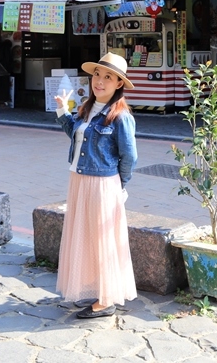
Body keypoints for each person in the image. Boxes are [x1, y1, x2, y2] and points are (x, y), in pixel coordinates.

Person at [54, 52, 138, 319]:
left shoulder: (121, 116)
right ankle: (97, 289)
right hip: (79, 180)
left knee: (103, 240)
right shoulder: (88, 109)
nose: (100, 81)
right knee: (86, 237)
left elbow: (130, 156)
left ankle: (106, 300)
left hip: (102, 184)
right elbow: (77, 135)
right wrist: (62, 111)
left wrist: (120, 185)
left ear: (118, 84)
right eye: (97, 75)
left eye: (108, 77)